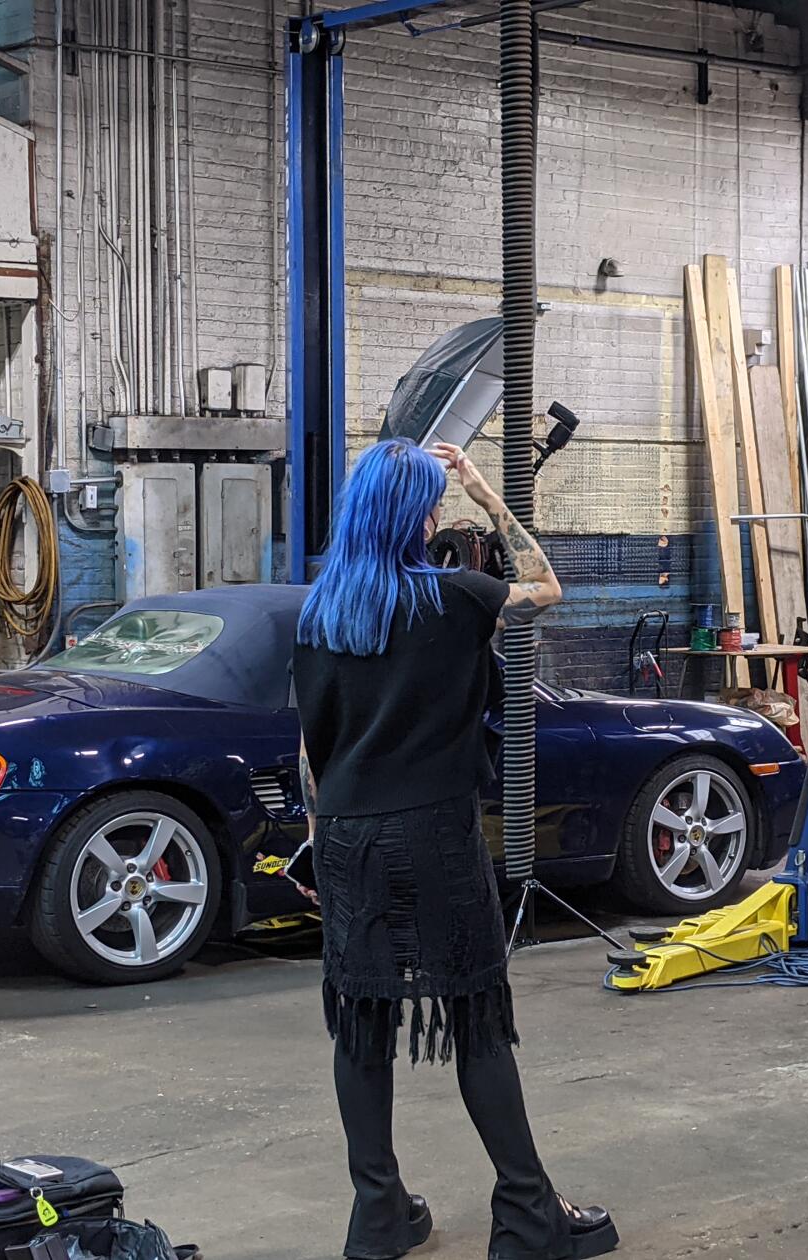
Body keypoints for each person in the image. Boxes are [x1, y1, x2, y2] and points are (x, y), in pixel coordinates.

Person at [292, 439, 617, 1260]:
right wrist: (485, 491)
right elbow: (546, 584)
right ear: (422, 515)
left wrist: (317, 837)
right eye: (435, 500)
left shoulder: (321, 612)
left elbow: (310, 745)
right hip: (432, 835)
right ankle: (526, 1216)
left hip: (347, 836)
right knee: (473, 1018)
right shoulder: (454, 596)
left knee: (362, 1025)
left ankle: (377, 1217)